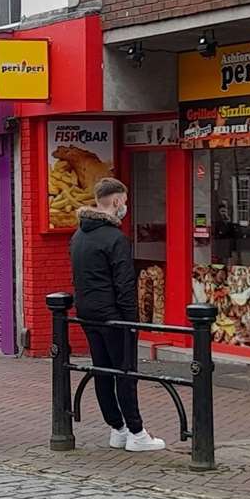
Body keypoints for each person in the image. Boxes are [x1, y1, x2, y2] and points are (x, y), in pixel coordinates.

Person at [71, 177, 163, 452]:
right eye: (124, 200)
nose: (126, 205)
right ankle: (136, 432)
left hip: (88, 312)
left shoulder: (79, 236)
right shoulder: (115, 238)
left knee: (102, 371)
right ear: (116, 201)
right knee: (125, 373)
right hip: (113, 315)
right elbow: (125, 284)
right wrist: (131, 321)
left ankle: (117, 428)